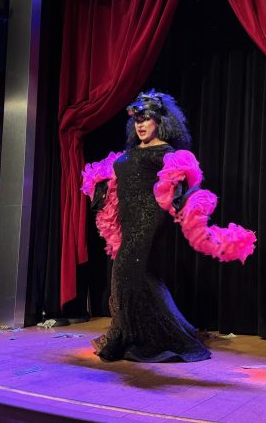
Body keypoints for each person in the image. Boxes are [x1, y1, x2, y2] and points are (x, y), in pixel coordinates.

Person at [81, 91, 255, 362]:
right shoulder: (130, 152)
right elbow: (116, 177)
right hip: (128, 218)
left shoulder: (167, 153)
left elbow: (181, 182)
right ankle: (139, 332)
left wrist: (179, 198)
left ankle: (163, 337)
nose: (140, 125)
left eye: (146, 119)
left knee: (130, 272)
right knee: (136, 276)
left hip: (149, 219)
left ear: (160, 121)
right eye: (137, 119)